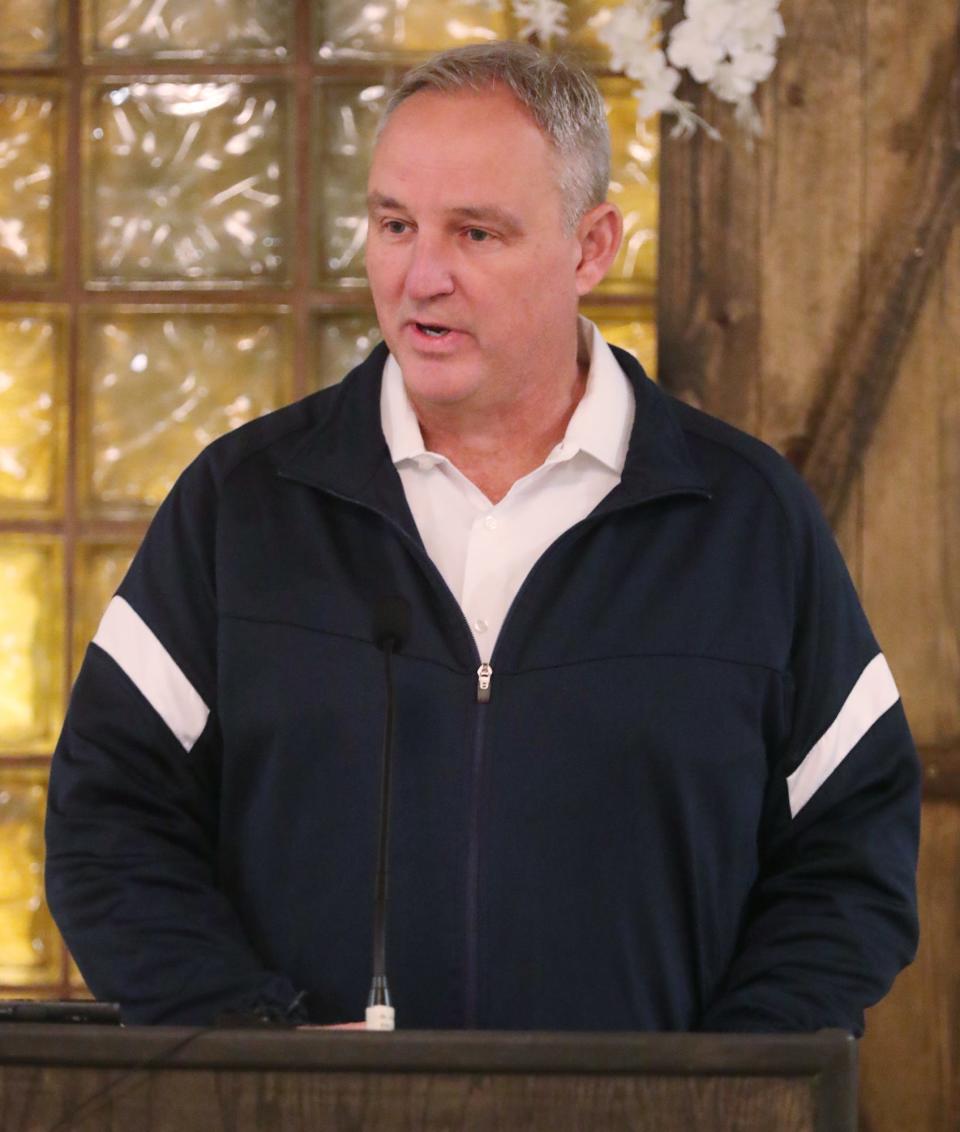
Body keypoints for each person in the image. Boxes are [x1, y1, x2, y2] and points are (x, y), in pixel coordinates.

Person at [45, 42, 920, 1033]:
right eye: (394, 224)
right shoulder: (241, 506)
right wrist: (253, 1050)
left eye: (476, 233)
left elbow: (854, 854)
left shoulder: (751, 522)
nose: (422, 276)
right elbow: (109, 823)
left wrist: (721, 1091)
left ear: (592, 247)